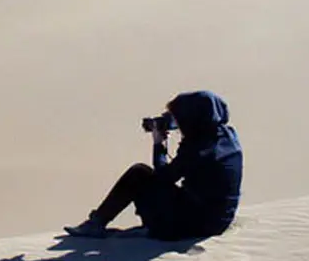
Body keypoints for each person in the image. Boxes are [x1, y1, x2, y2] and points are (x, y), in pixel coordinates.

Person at [64, 90, 243, 240]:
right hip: (218, 219)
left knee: (138, 173)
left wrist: (158, 144)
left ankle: (96, 223)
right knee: (151, 181)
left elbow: (163, 177)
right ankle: (102, 222)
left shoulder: (199, 149)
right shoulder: (226, 136)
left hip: (196, 226)